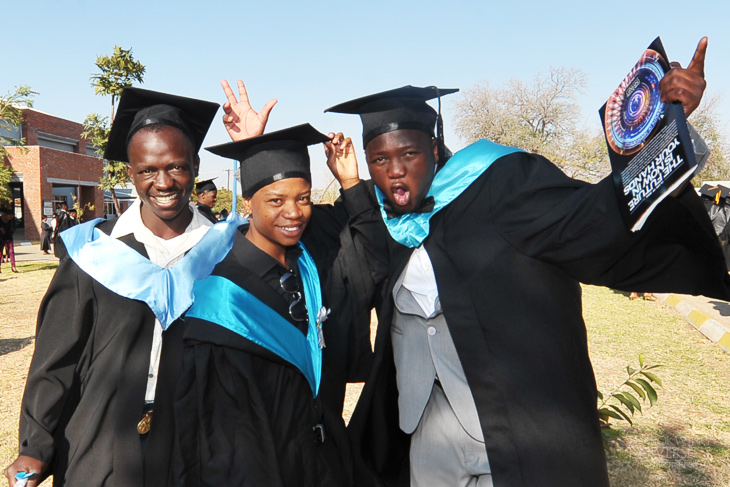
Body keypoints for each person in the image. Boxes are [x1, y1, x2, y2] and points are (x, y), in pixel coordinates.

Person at [326, 37, 730, 487]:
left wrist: (666, 131)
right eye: (380, 160)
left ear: (436, 149)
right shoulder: (385, 222)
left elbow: (594, 215)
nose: (395, 170)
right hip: (425, 434)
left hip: (514, 434)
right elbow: (293, 228)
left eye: (409, 153)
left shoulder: (502, 184)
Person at [3, 87, 223, 487]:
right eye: (147, 171)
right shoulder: (95, 252)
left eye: (176, 167)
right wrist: (35, 446)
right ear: (130, 173)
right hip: (102, 433)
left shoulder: (224, 250)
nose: (163, 182)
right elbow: (56, 358)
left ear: (195, 164)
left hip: (198, 437)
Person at [170, 121, 382, 485]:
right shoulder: (222, 296)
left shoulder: (313, 261)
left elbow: (375, 257)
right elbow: (220, 436)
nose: (294, 212)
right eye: (276, 200)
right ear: (248, 202)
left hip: (328, 460)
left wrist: (350, 181)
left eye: (303, 198)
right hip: (264, 468)